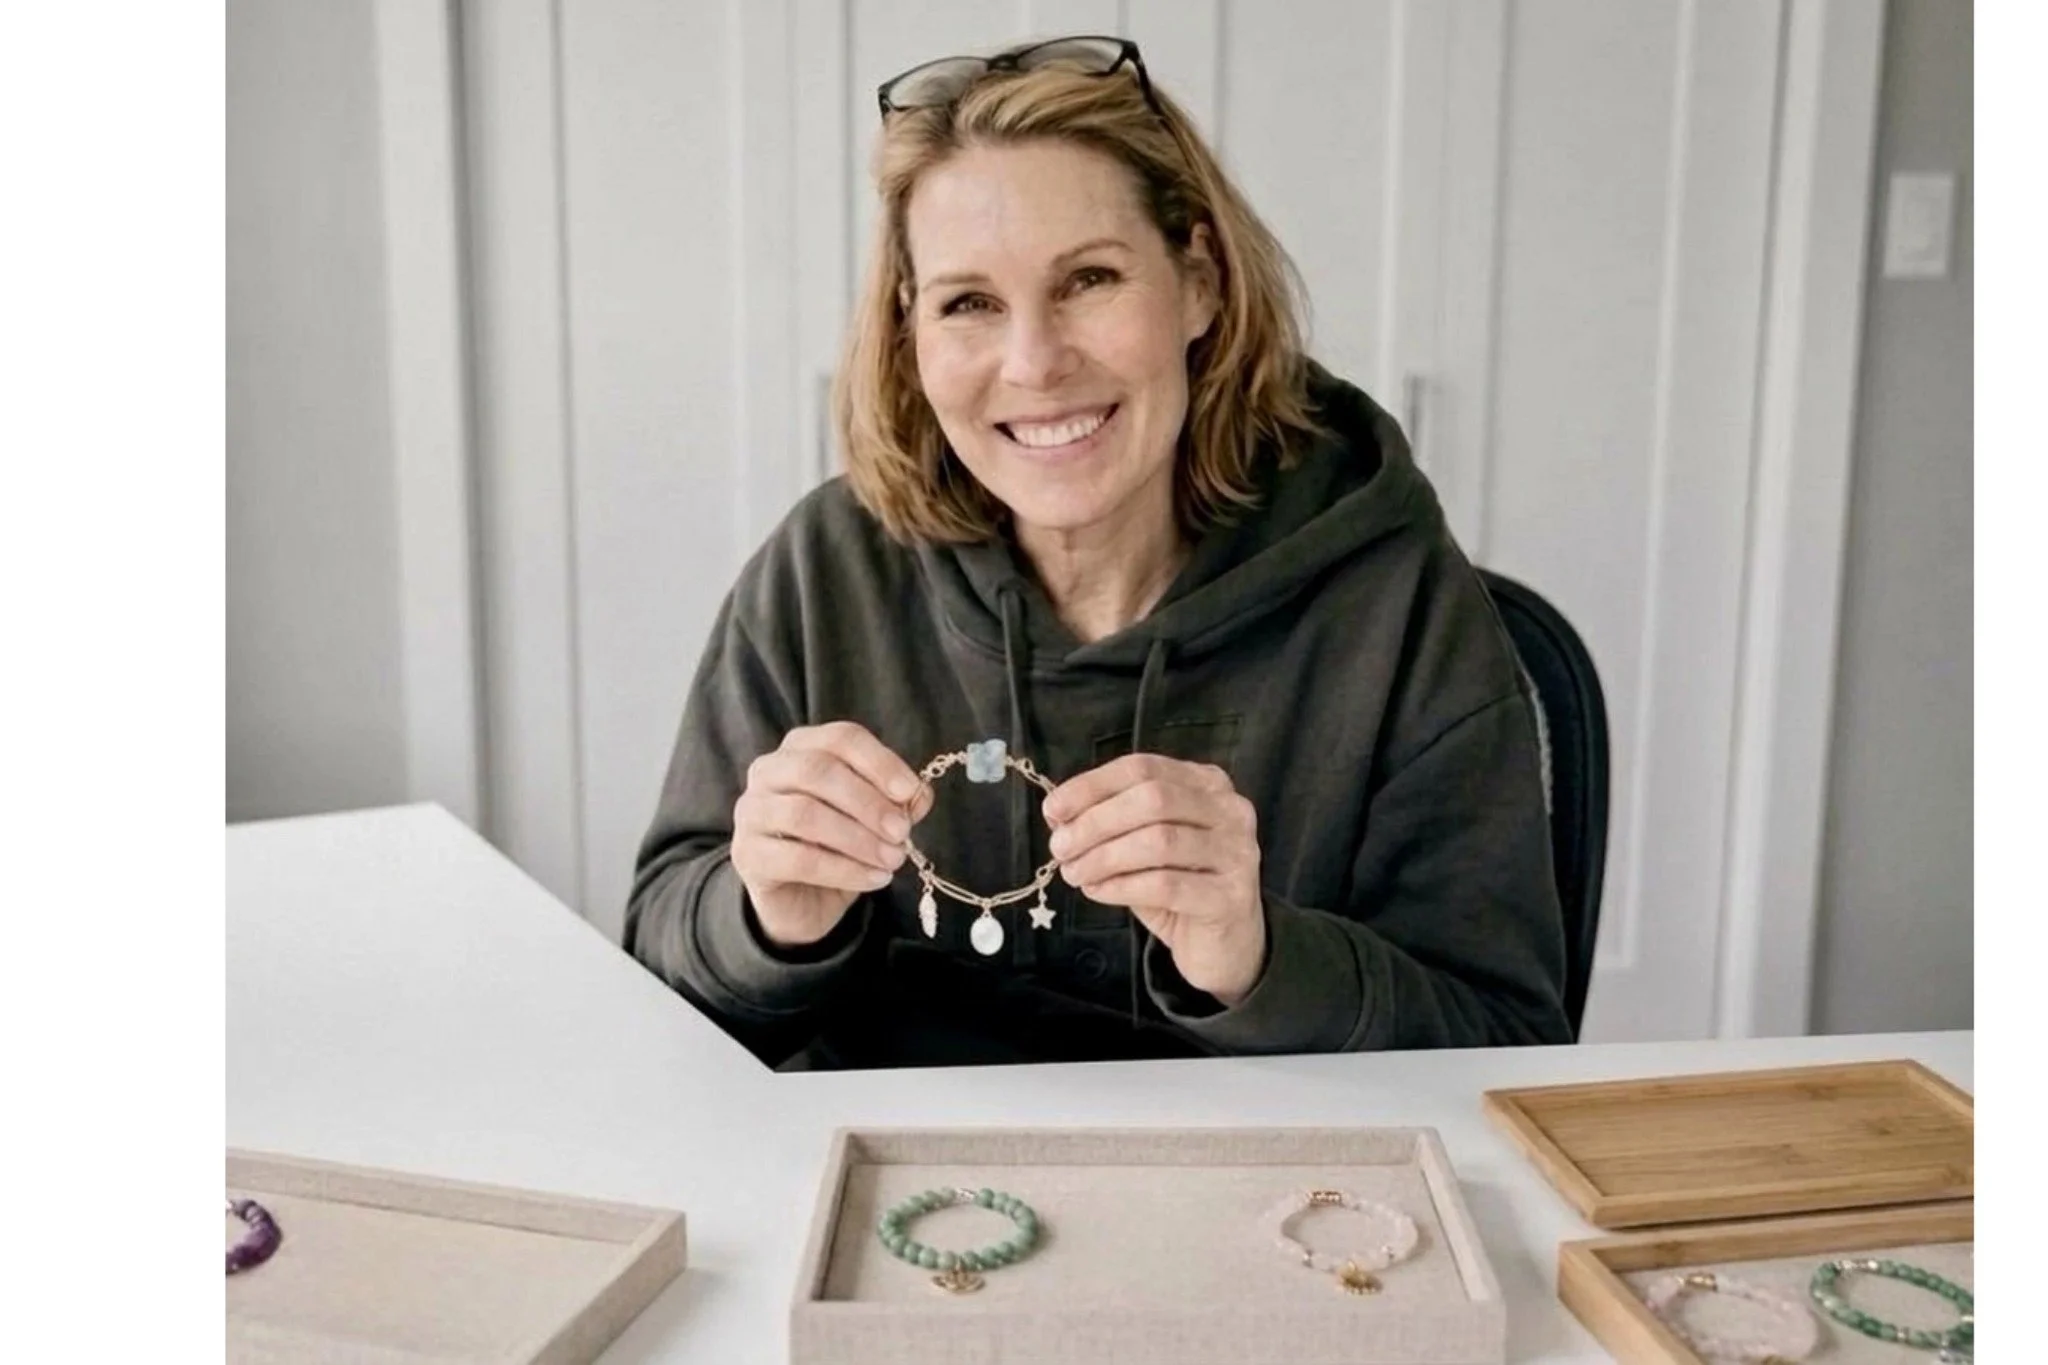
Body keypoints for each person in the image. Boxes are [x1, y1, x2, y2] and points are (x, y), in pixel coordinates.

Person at [625, 35, 1570, 1069]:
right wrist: (764, 921)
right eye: (967, 303)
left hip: (1266, 1204)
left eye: (1088, 279)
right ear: (910, 335)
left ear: (1198, 284)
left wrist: (1258, 960)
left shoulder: (1395, 600)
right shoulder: (822, 570)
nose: (1033, 363)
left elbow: (1506, 1045)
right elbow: (660, 965)